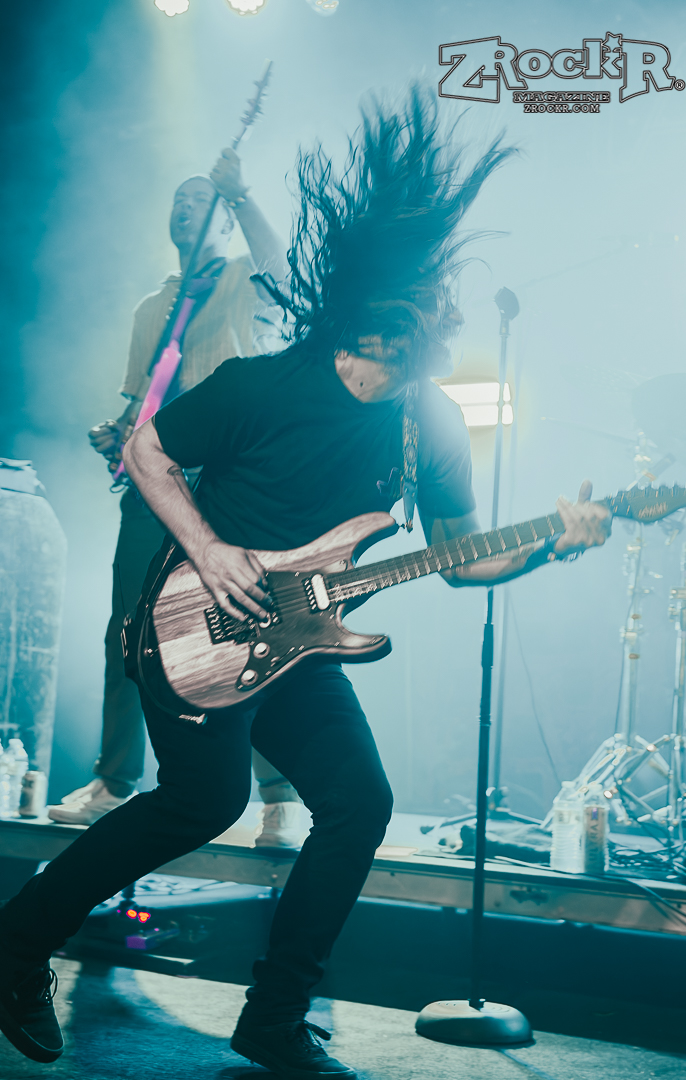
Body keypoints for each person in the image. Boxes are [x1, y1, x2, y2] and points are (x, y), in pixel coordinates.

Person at [0, 88, 611, 1077]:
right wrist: (211, 550)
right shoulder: (265, 384)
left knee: (359, 802)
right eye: (429, 299)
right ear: (383, 314)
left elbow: (465, 559)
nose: (444, 313)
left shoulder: (430, 422)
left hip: (301, 642)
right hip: (197, 621)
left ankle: (274, 1018)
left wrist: (554, 542)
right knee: (202, 802)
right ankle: (18, 942)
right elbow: (147, 450)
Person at [46, 148, 305, 848]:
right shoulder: (152, 308)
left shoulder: (246, 277)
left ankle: (279, 797)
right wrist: (117, 430)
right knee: (127, 632)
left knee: (250, 625)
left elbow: (286, 273)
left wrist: (241, 195)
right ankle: (113, 780)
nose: (185, 207)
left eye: (199, 199)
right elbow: (144, 401)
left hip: (230, 479)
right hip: (158, 483)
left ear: (222, 218)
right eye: (177, 200)